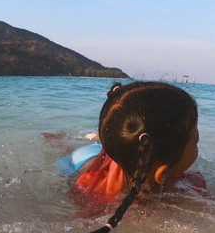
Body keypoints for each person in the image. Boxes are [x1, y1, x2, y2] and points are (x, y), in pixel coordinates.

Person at [55, 81, 205, 213]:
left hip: (109, 155)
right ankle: (61, 141)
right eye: (196, 141)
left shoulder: (134, 150)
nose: (197, 144)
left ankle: (92, 138)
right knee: (66, 150)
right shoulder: (114, 203)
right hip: (83, 159)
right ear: (162, 172)